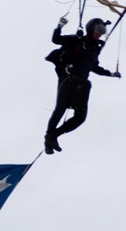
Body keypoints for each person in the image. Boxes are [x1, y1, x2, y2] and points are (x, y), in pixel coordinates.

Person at [44, 15, 121, 153]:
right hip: (68, 79)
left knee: (81, 117)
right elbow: (56, 40)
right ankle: (49, 136)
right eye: (97, 31)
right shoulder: (75, 40)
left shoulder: (94, 51)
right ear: (91, 29)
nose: (99, 35)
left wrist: (111, 74)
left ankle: (53, 136)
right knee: (60, 109)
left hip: (82, 85)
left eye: (102, 32)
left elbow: (95, 68)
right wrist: (59, 26)